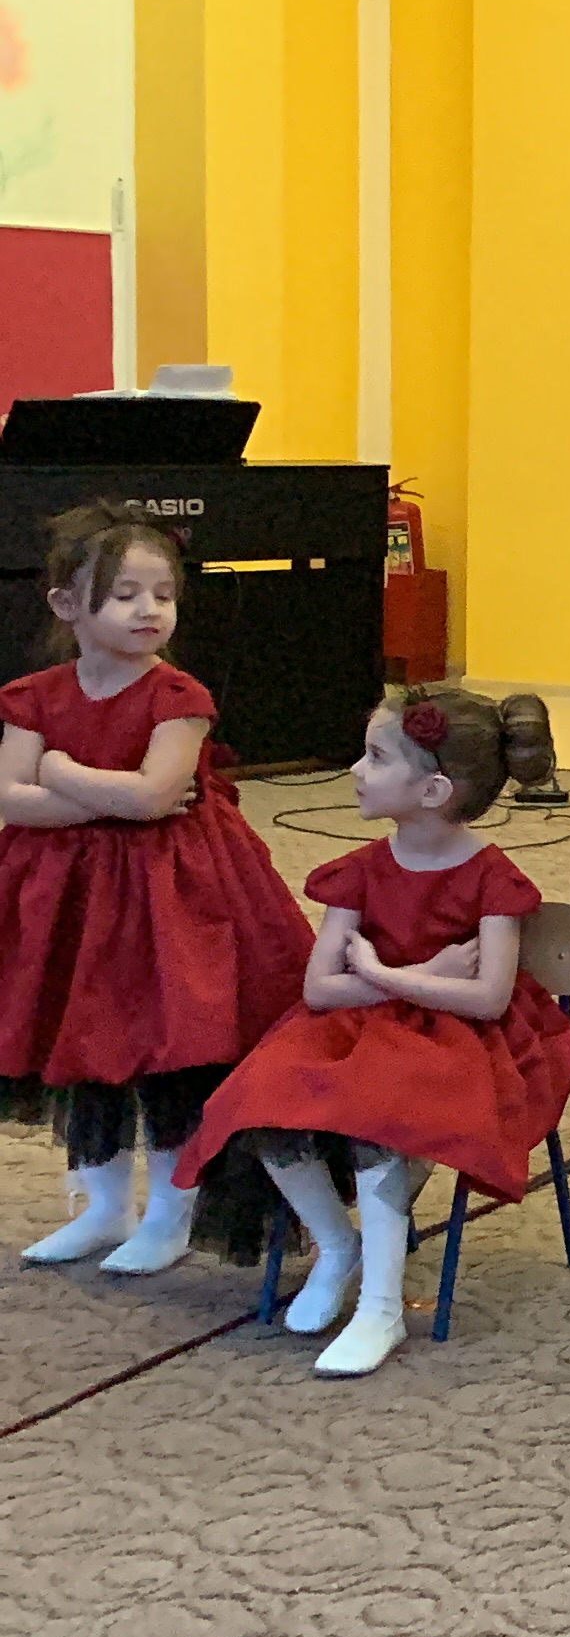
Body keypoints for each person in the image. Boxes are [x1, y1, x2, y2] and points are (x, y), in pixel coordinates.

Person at [172, 691, 570, 1376]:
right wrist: (414, 975)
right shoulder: (360, 871)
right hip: (355, 1025)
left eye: (376, 757)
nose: (356, 770)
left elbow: (486, 1000)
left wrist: (385, 975)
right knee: (260, 1100)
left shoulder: (493, 880)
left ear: (434, 790)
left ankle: (382, 1307)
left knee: (382, 1118)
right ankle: (339, 1245)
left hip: (460, 1041)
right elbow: (319, 989)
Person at [1, 502, 312, 1272]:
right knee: (85, 1042)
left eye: (164, 595)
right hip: (68, 896)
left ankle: (171, 1215)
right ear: (66, 605)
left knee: (170, 1047)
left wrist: (60, 773)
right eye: (126, 595)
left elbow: (153, 798)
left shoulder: (179, 697)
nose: (150, 610)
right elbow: (10, 798)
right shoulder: (33, 696)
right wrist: (98, 792)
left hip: (170, 895)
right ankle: (105, 1207)